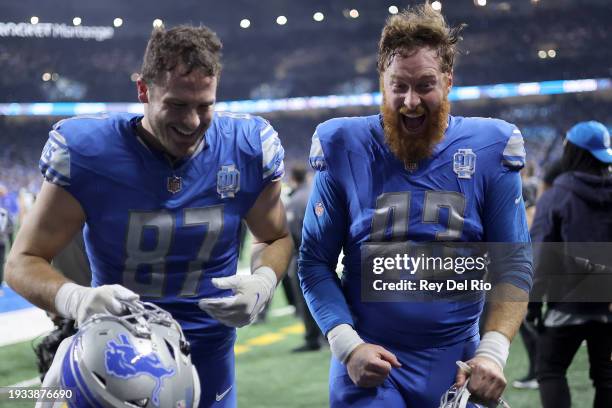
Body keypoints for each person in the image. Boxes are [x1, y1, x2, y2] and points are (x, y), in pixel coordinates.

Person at [5, 25, 293, 408]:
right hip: (115, 355)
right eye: (176, 104)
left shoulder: (247, 147)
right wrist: (76, 299)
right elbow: (22, 261)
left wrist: (263, 281)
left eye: (204, 105)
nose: (191, 122)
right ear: (143, 90)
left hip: (207, 353)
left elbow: (274, 237)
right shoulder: (90, 153)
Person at [298, 3, 533, 407]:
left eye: (425, 85)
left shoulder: (491, 148)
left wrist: (492, 352)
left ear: (448, 81)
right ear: (382, 83)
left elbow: (513, 263)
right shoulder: (343, 145)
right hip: (371, 364)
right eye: (399, 86)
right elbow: (314, 261)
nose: (410, 101)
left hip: (459, 364)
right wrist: (347, 345)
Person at [530, 121, 612, 408]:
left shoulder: (556, 197)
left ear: (572, 153)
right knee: (607, 376)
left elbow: (540, 256)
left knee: (550, 370)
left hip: (567, 303)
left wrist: (532, 304)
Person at [285, 165, 324, 352]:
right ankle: (328, 335)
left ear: (293, 178)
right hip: (323, 253)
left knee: (306, 300)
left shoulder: (295, 200)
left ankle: (312, 339)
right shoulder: (315, 193)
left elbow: (291, 233)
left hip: (304, 255)